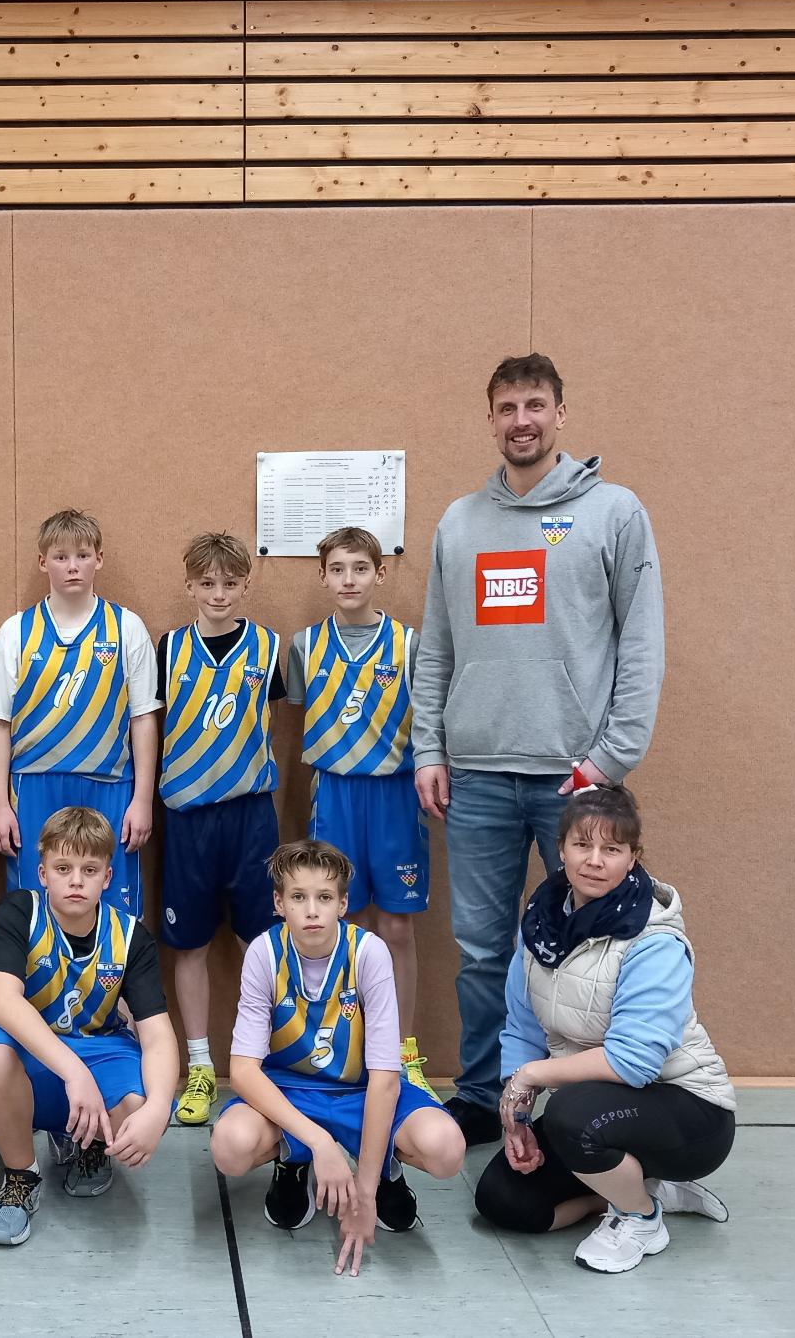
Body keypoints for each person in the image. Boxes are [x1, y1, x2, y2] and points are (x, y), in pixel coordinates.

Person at [411, 353, 665, 1147]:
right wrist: (428, 748)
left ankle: (584, 1103)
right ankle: (484, 1095)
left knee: (592, 951)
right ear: (489, 419)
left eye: (534, 405)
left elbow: (642, 644)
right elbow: (436, 648)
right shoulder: (459, 523)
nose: (520, 420)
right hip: (477, 775)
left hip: (573, 780)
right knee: (482, 952)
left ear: (560, 413)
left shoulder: (613, 512)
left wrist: (609, 760)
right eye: (506, 407)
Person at [473, 785, 733, 1273]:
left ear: (633, 858)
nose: (594, 861)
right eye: (582, 845)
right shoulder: (540, 927)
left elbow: (634, 1061)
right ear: (561, 848)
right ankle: (643, 1188)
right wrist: (517, 1114)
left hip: (689, 1111)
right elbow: (523, 1028)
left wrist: (533, 1077)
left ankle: (640, 1217)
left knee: (571, 1115)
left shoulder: (655, 941)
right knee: (503, 1199)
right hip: (597, 1108)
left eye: (611, 849)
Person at [212, 840, 465, 1277]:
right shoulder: (264, 953)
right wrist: (319, 1142)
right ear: (279, 903)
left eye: (324, 897)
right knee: (229, 1147)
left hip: (361, 1092)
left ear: (343, 904)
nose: (312, 910)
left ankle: (383, 1173)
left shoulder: (368, 952)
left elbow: (385, 1078)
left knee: (446, 1150)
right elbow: (243, 1072)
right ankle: (294, 1163)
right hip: (291, 1091)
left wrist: (364, 1194)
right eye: (298, 897)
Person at [0, 807, 176, 1247]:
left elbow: (157, 1034)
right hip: (34, 1054)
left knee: (140, 1107)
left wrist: (159, 1108)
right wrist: (74, 1073)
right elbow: (0, 1001)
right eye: (63, 869)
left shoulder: (131, 936)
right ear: (42, 873)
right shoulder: (19, 912)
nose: (76, 881)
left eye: (89, 870)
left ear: (108, 877)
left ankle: (86, 1143)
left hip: (101, 1048)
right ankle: (21, 1176)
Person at [287, 526, 433, 1094]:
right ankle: (350, 1050)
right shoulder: (304, 646)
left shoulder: (409, 644)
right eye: (338, 569)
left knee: (395, 925)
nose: (349, 579)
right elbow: (293, 715)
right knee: (339, 925)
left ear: (380, 573)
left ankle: (404, 1051)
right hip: (335, 794)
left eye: (361, 568)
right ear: (323, 576)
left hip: (394, 795)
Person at [156, 531, 283, 1128]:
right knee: (190, 945)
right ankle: (201, 1066)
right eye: (207, 583)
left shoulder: (268, 646)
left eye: (230, 583)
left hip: (251, 814)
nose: (219, 594)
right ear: (189, 585)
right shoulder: (168, 649)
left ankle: (262, 1065)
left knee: (264, 945)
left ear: (246, 585)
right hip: (187, 818)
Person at [0, 509, 159, 915]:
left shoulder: (127, 627)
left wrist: (142, 799)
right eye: (61, 557)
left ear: (100, 558)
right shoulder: (16, 631)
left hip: (110, 784)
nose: (73, 566)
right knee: (35, 908)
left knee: (113, 908)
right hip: (33, 785)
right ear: (43, 562)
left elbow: (143, 718)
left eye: (82, 555)